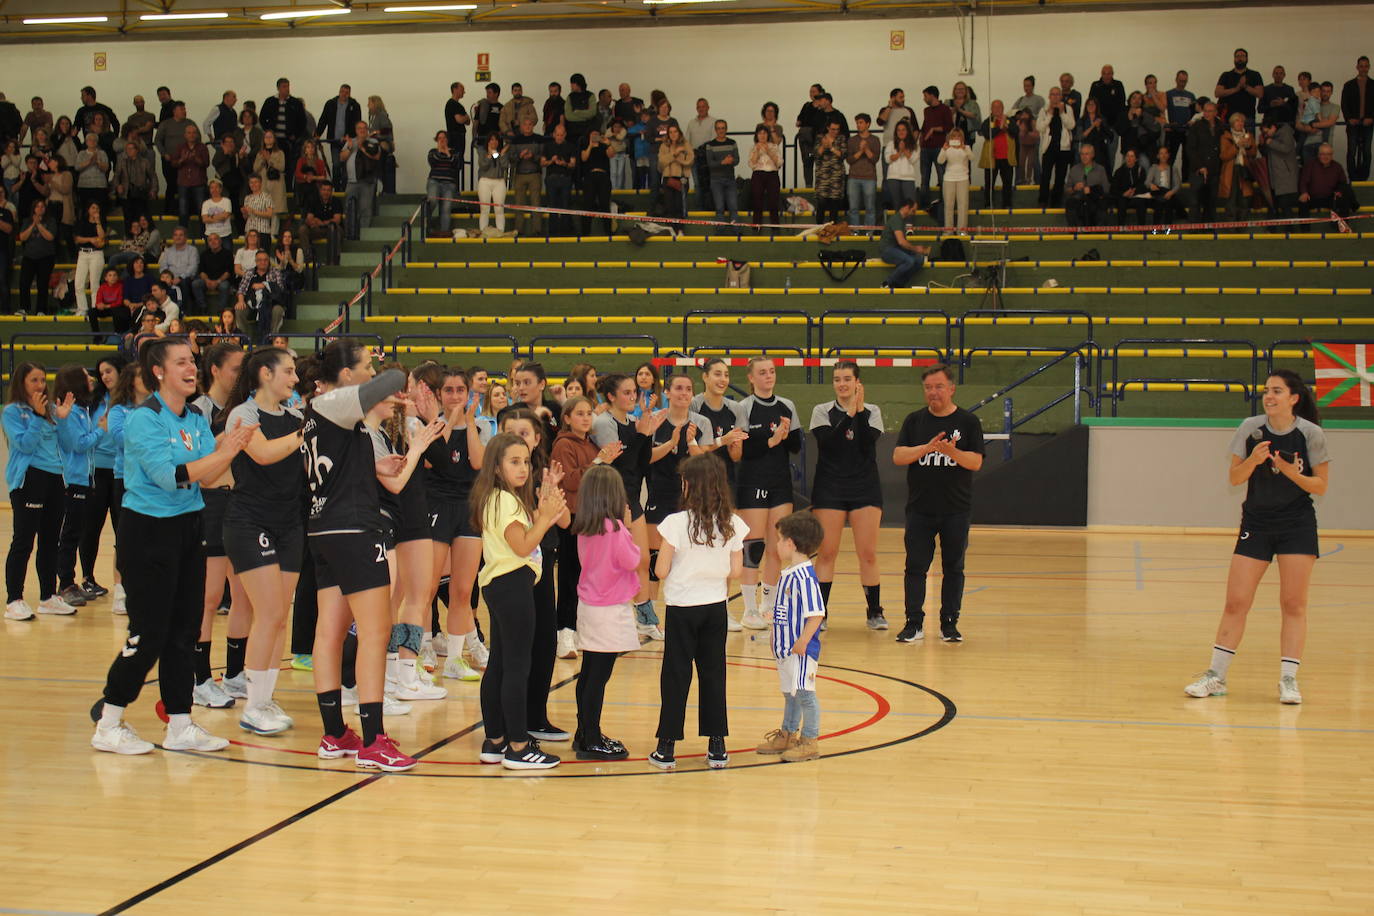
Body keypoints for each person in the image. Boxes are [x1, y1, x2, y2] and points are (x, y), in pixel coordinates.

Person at [90, 338, 255, 755]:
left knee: (186, 631)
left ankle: (180, 725)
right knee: (149, 634)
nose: (191, 367)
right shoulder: (143, 420)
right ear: (158, 371)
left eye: (192, 361)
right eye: (181, 362)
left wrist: (225, 450)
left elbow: (208, 475)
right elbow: (175, 476)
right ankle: (109, 722)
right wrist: (227, 450)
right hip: (147, 532)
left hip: (188, 527)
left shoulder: (196, 418)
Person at [303, 341, 419, 771]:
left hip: (323, 527)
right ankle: (374, 740)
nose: (372, 375)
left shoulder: (320, 414)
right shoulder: (334, 401)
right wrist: (391, 382)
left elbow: (333, 469)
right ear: (346, 375)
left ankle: (334, 734)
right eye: (366, 367)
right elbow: (393, 379)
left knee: (329, 633)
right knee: (374, 632)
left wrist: (373, 467)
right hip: (354, 528)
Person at [1184, 370, 1329, 706]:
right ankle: (1215, 676)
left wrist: (1294, 472)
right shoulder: (1250, 429)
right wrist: (1254, 459)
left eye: (1277, 391)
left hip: (1297, 524)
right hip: (1257, 522)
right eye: (1266, 390)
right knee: (1236, 602)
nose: (1269, 396)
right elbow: (1235, 478)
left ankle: (1289, 680)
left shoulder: (1311, 434)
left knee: (1293, 604)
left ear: (1293, 398)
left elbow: (1320, 486)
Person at [221, 347, 308, 735]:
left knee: (278, 617)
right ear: (264, 374)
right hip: (250, 520)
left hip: (290, 523)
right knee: (269, 612)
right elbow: (264, 454)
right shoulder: (243, 415)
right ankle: (253, 706)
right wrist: (307, 433)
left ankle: (265, 699)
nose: (295, 378)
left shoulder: (294, 416)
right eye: (288, 371)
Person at [472, 432, 567, 770]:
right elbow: (523, 546)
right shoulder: (506, 501)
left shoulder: (497, 499)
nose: (523, 468)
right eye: (514, 461)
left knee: (499, 663)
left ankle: (494, 740)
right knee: (515, 666)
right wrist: (543, 518)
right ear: (496, 467)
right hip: (512, 584)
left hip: (500, 585)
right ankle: (518, 747)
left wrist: (543, 514)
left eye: (526, 461)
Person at [650, 453, 745, 770]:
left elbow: (661, 570)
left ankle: (666, 748)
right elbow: (735, 572)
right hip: (715, 608)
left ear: (688, 485)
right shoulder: (732, 523)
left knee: (676, 675)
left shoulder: (675, 524)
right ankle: (717, 746)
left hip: (681, 609)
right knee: (713, 673)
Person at [892, 365, 985, 644]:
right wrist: (927, 448)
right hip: (920, 509)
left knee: (953, 567)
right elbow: (898, 456)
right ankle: (913, 623)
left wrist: (950, 451)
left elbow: (976, 462)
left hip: (956, 509)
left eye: (939, 386)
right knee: (915, 567)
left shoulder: (968, 422)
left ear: (951, 388)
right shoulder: (914, 421)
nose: (933, 392)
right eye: (929, 387)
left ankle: (949, 623)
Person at [499, 406, 571, 742]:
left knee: (544, 640)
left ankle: (536, 716)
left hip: (542, 565)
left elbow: (567, 522)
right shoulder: (497, 484)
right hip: (512, 572)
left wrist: (552, 496)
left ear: (537, 439)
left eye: (524, 432)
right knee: (513, 649)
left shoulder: (544, 475)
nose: (517, 437)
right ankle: (505, 724)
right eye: (510, 430)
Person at [414, 367, 491, 683]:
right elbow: (437, 459)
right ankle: (423, 647)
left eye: (461, 390)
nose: (456, 396)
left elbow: (477, 463)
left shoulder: (479, 425)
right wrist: (444, 420)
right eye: (450, 390)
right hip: (436, 506)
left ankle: (457, 658)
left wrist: (468, 421)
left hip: (468, 508)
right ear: (439, 394)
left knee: (463, 590)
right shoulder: (430, 425)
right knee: (428, 587)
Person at [190, 343, 248, 709]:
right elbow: (193, 465)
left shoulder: (244, 409)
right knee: (209, 598)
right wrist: (222, 441)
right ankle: (199, 679)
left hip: (240, 504)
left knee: (243, 593)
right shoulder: (198, 411)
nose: (241, 375)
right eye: (235, 368)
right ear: (214, 370)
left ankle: (236, 674)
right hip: (210, 505)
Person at [809, 361, 885, 629]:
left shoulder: (872, 411)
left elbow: (866, 444)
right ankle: (821, 613)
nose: (842, 383)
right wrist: (849, 413)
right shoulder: (822, 411)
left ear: (857, 383)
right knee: (827, 552)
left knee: (868, 553)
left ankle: (875, 612)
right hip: (830, 486)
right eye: (837, 379)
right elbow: (830, 445)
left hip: (865, 487)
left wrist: (859, 412)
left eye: (847, 379)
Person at [570, 465, 639, 760]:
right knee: (598, 677)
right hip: (608, 610)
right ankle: (591, 737)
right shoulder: (615, 529)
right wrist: (629, 527)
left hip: (590, 607)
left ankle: (585, 730)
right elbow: (632, 560)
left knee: (589, 674)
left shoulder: (586, 526)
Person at [591, 373, 663, 639]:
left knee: (642, 559)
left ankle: (645, 617)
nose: (633, 397)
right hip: (612, 497)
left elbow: (642, 462)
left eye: (634, 392)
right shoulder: (602, 423)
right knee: (616, 562)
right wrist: (642, 434)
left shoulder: (634, 421)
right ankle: (611, 617)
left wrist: (647, 433)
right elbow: (620, 462)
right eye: (627, 393)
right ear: (611, 396)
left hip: (633, 496)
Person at [3, 364, 76, 620]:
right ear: (21, 383)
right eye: (34, 380)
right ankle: (14, 600)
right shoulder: (12, 412)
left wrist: (63, 419)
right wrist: (36, 416)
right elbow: (24, 444)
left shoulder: (51, 410)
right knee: (24, 541)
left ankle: (47, 597)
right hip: (29, 480)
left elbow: (68, 445)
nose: (40, 385)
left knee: (50, 541)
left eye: (43, 380)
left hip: (55, 479)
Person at [551, 394, 622, 655]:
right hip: (571, 520)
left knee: (585, 577)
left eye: (588, 413)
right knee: (570, 578)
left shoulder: (590, 444)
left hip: (590, 519)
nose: (585, 418)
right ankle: (564, 633)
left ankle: (579, 628)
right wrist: (599, 461)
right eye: (579, 413)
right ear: (567, 418)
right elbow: (570, 481)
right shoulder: (563, 446)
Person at [734, 358, 801, 632]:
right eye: (762, 372)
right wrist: (769, 441)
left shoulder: (787, 405)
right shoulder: (743, 408)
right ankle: (749, 609)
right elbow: (742, 450)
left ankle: (768, 605)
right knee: (754, 545)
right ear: (751, 378)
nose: (768, 376)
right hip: (752, 483)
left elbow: (796, 446)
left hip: (780, 484)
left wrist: (785, 435)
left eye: (771, 371)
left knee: (777, 547)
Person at [756, 510, 826, 763]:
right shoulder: (790, 574)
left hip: (800, 650)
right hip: (785, 649)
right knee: (791, 693)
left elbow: (817, 614)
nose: (776, 544)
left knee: (805, 694)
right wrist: (774, 618)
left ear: (790, 543)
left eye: (779, 539)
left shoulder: (805, 577)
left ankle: (810, 740)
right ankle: (787, 733)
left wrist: (803, 641)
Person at [53, 365, 103, 608]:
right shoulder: (71, 412)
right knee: (70, 533)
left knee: (77, 531)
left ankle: (70, 581)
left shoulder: (82, 410)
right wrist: (101, 431)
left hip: (84, 478)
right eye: (86, 376)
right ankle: (65, 583)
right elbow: (78, 444)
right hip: (72, 479)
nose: (91, 379)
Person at [81, 356, 126, 604]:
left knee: (123, 528)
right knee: (92, 526)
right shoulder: (94, 401)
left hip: (121, 471)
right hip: (97, 469)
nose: (105, 377)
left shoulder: (130, 400)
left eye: (109, 371)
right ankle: (87, 577)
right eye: (102, 373)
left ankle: (123, 581)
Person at [1037, 87, 1076, 206]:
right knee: (1045, 176)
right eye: (1053, 95)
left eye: (1058, 94)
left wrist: (1062, 113)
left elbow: (1071, 126)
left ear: (1061, 96)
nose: (1055, 97)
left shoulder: (1067, 109)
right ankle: (1043, 200)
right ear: (1049, 96)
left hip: (1063, 148)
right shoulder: (1044, 110)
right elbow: (1040, 128)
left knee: (1060, 177)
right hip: (1049, 147)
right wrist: (1049, 115)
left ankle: (1056, 201)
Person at [17, 199, 57, 315]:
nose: (40, 209)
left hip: (46, 257)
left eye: (42, 207)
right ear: (33, 209)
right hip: (29, 257)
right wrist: (33, 224)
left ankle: (41, 309)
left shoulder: (50, 221)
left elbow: (50, 237)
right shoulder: (26, 221)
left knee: (42, 284)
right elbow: (22, 237)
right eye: (37, 207)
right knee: (24, 283)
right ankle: (24, 308)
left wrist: (39, 225)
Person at [879, 198, 929, 289]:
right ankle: (887, 282)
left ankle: (899, 283)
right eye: (913, 210)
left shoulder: (901, 220)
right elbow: (902, 242)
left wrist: (917, 250)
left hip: (895, 248)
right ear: (906, 207)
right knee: (909, 261)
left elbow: (902, 243)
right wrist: (916, 249)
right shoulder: (896, 220)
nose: (914, 213)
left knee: (920, 259)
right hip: (887, 250)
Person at [1298, 143, 1356, 218]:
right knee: (1302, 202)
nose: (1326, 157)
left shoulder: (1337, 167)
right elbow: (1303, 181)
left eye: (1328, 154)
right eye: (1323, 154)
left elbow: (1343, 183)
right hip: (1312, 197)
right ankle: (1305, 230)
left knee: (1344, 201)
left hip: (1330, 197)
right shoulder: (1310, 165)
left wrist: (1339, 191)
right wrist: (1304, 192)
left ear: (1332, 155)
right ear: (1318, 155)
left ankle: (1341, 228)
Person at [1187, 101, 1223, 220]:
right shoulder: (1196, 127)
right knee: (1194, 201)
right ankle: (1193, 230)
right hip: (1197, 170)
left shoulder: (1221, 126)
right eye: (1205, 111)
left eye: (1210, 111)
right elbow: (1190, 149)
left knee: (1212, 202)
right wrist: (1200, 166)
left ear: (1215, 112)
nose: (1207, 114)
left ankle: (1210, 229)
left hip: (1214, 170)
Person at [977, 101, 1016, 209]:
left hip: (1007, 158)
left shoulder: (1010, 120)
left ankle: (1007, 204)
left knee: (1007, 183)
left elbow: (1015, 132)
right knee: (989, 184)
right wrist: (1000, 127)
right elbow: (987, 134)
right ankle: (988, 204)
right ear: (991, 109)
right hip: (991, 158)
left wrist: (1006, 126)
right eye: (995, 107)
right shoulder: (987, 121)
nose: (997, 109)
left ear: (1003, 108)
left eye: (1000, 107)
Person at [71, 201, 107, 319]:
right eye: (93, 208)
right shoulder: (82, 223)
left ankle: (93, 309)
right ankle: (82, 308)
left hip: (96, 254)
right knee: (79, 283)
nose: (95, 210)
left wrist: (98, 222)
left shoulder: (101, 223)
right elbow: (77, 239)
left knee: (94, 284)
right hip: (83, 253)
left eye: (97, 208)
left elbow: (101, 237)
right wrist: (90, 239)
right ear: (88, 210)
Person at [1340, 56, 1373, 180]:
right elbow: (1344, 104)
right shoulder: (1349, 85)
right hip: (1352, 123)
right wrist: (1349, 119)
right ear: (1357, 67)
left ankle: (1363, 179)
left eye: (1366, 66)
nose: (1364, 68)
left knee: (1367, 153)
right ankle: (1353, 178)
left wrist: (1372, 118)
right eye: (1361, 66)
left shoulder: (1373, 84)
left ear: (1369, 67)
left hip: (1368, 124)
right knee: (1351, 152)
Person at [1215, 48, 1263, 131]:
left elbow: (1260, 94)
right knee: (1229, 142)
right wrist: (1236, 89)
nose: (1240, 58)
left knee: (1248, 142)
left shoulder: (1255, 75)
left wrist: (1245, 86)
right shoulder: (1226, 75)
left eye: (1242, 56)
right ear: (1234, 59)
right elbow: (1217, 93)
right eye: (1237, 56)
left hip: (1248, 117)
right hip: (1229, 118)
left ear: (1247, 59)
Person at [845, 114, 880, 228]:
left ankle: (869, 232)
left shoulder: (875, 140)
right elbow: (849, 160)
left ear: (868, 124)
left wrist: (867, 149)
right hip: (853, 177)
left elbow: (875, 159)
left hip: (869, 178)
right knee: (853, 208)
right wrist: (860, 151)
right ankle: (855, 232)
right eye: (857, 123)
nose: (858, 125)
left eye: (861, 122)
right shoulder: (852, 140)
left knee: (870, 208)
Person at [937, 128, 974, 228]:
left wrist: (964, 149)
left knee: (963, 206)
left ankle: (962, 230)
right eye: (953, 136)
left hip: (963, 178)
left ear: (962, 137)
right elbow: (940, 161)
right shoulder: (947, 148)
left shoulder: (966, 147)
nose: (956, 138)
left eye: (958, 136)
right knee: (948, 206)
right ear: (950, 138)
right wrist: (943, 149)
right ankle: (948, 230)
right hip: (949, 178)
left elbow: (972, 158)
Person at [812, 120, 846, 223]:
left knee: (835, 203)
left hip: (837, 175)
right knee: (821, 202)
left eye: (837, 129)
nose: (835, 132)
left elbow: (843, 155)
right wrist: (823, 146)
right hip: (822, 176)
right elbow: (816, 154)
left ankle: (833, 228)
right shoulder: (820, 138)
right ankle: (819, 227)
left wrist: (831, 147)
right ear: (828, 128)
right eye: (833, 129)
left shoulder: (841, 138)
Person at [427, 131, 460, 237]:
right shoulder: (432, 152)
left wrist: (447, 153)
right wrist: (440, 151)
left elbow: (455, 164)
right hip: (434, 182)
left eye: (444, 138)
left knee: (447, 206)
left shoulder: (454, 152)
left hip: (449, 184)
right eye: (439, 138)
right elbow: (433, 161)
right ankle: (427, 223)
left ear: (447, 140)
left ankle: (444, 232)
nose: (442, 140)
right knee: (432, 200)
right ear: (436, 140)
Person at [748, 125, 783, 226]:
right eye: (760, 133)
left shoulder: (774, 146)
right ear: (756, 135)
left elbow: (779, 163)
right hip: (758, 174)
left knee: (773, 201)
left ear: (768, 135)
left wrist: (768, 151)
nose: (762, 136)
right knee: (757, 200)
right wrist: (758, 151)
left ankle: (775, 226)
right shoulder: (754, 147)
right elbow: (752, 164)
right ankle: (756, 226)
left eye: (764, 133)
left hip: (772, 174)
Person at [884, 119, 919, 210]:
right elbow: (888, 159)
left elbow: (913, 159)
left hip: (908, 178)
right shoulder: (891, 144)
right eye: (898, 130)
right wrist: (899, 152)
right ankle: (898, 224)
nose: (901, 132)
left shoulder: (914, 145)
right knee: (897, 205)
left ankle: (909, 224)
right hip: (893, 177)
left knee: (910, 205)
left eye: (903, 130)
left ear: (907, 131)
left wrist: (904, 150)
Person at [1110, 147, 1150, 225]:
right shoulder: (1119, 171)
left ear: (1136, 159)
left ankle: (1142, 229)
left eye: (1132, 156)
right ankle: (1121, 229)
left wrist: (1134, 191)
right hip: (1123, 197)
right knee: (1121, 202)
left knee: (1141, 202)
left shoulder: (1141, 170)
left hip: (1136, 196)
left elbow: (1144, 186)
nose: (1129, 158)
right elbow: (1113, 189)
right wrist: (1123, 193)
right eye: (1127, 156)